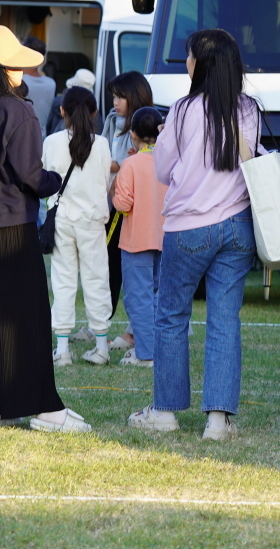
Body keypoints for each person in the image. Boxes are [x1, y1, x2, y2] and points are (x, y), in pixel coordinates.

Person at [0, 25, 88, 432]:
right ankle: (45, 409)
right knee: (25, 319)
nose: (23, 72)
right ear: (5, 69)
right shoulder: (16, 110)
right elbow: (29, 174)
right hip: (10, 226)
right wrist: (53, 180)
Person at [127, 28, 258, 441]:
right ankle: (218, 422)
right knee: (224, 320)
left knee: (170, 317)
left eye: (188, 56)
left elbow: (163, 170)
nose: (185, 62)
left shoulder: (183, 111)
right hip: (237, 226)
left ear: (199, 64)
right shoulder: (249, 109)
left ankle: (165, 412)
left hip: (187, 227)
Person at [43, 86, 113, 366]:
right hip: (93, 220)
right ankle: (101, 347)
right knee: (97, 280)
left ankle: (62, 350)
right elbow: (104, 183)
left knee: (63, 281)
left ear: (63, 111)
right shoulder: (102, 144)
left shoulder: (51, 142)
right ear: (94, 112)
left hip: (61, 220)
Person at [100, 70, 154, 349]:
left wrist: (101, 162)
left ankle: (136, 335)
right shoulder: (113, 122)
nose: (115, 101)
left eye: (120, 95)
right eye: (113, 95)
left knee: (138, 281)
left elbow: (120, 164)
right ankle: (101, 323)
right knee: (114, 269)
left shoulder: (146, 130)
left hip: (132, 212)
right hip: (118, 208)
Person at [111, 105, 167, 367]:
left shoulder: (130, 164)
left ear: (132, 134)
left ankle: (146, 353)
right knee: (157, 296)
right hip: (166, 238)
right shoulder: (171, 160)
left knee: (138, 297)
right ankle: (158, 348)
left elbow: (122, 204)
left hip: (137, 241)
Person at [20, 36, 56, 137]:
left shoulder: (18, 82)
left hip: (19, 139)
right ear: (43, 59)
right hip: (41, 139)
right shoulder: (51, 84)